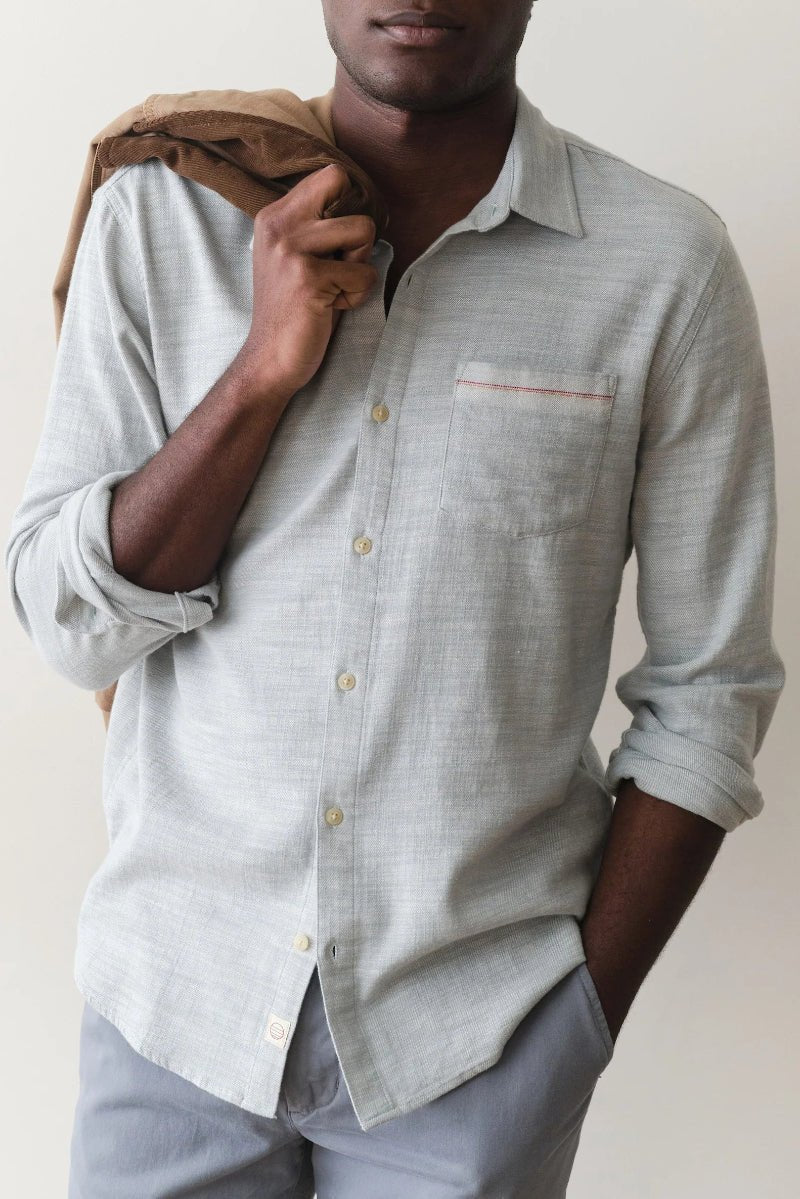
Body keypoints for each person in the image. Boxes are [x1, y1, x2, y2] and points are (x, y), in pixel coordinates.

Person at [5, 2, 785, 1196]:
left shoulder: (661, 264)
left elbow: (708, 691)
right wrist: (258, 375)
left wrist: (577, 1024)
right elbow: (71, 623)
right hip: (175, 1011)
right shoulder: (160, 212)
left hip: (472, 1038)